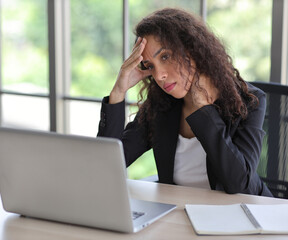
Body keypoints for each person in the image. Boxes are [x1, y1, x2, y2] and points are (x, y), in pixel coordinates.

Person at [97, 8, 273, 197]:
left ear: (192, 49)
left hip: (243, 214)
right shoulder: (160, 104)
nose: (159, 75)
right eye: (150, 66)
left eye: (165, 56)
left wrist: (204, 109)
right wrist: (118, 92)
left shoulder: (248, 101)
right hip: (180, 211)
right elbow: (108, 164)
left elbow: (237, 183)